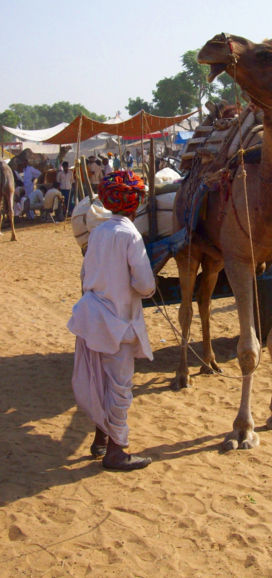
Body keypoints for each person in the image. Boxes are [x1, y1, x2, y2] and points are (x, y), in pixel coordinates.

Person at [68, 170, 156, 471]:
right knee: (119, 386)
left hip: (92, 319)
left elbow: (85, 276)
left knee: (99, 380)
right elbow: (145, 285)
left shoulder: (97, 233)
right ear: (134, 203)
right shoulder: (130, 234)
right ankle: (116, 452)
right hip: (117, 322)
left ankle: (100, 439)